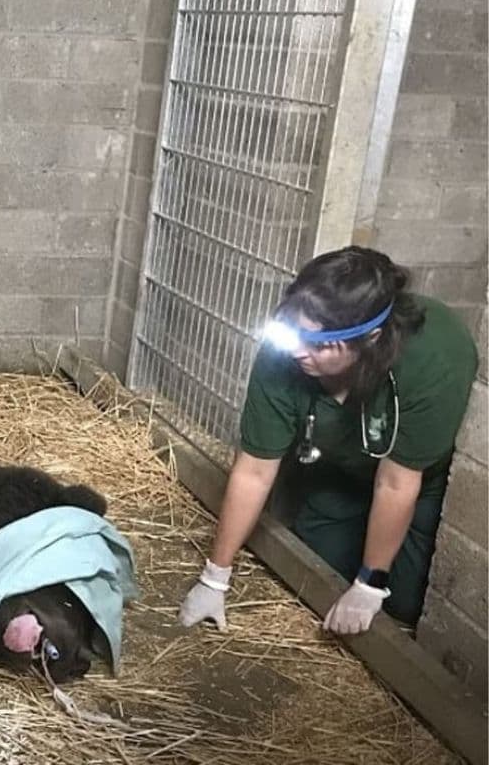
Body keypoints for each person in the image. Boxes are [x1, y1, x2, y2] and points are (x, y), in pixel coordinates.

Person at [178, 246, 478, 635]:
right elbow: (253, 470)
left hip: (415, 478)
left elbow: (397, 481)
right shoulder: (284, 355)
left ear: (369, 338)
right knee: (318, 571)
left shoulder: (433, 358)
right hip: (340, 470)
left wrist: (370, 583)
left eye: (319, 344)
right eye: (293, 332)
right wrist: (215, 577)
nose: (298, 350)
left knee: (404, 601)